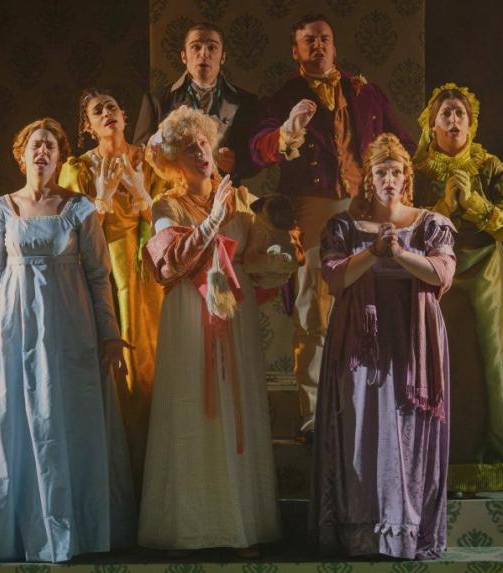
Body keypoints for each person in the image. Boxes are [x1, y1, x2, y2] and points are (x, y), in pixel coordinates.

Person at [0, 118, 136, 562]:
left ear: (59, 157)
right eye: (35, 145)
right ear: (22, 154)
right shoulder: (2, 209)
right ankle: (13, 532)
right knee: (11, 423)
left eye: (50, 146)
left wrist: (110, 335)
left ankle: (72, 533)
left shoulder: (80, 208)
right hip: (12, 330)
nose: (42, 152)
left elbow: (99, 276)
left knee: (62, 422)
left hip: (68, 331)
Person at [249, 13, 415, 437]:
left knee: (372, 305)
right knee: (314, 310)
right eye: (309, 40)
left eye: (324, 38)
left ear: (334, 46)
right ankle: (314, 412)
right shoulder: (284, 96)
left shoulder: (365, 91)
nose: (318, 45)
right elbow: (259, 147)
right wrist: (285, 131)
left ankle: (371, 404)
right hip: (312, 208)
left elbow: (405, 144)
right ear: (296, 51)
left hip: (366, 206)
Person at [139, 106, 281, 555]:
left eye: (203, 143)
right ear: (174, 161)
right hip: (189, 312)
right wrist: (213, 219)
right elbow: (172, 262)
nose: (200, 152)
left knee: (235, 405)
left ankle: (240, 526)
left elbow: (257, 258)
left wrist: (278, 252)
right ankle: (190, 528)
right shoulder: (165, 205)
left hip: (232, 313)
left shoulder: (238, 197)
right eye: (189, 148)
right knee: (193, 408)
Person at [311, 133, 454, 560]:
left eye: (395, 172)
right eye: (381, 172)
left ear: (406, 177)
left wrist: (399, 254)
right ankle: (360, 533)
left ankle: (403, 531)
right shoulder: (343, 226)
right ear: (369, 180)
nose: (389, 179)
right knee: (360, 428)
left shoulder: (429, 223)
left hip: (412, 341)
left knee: (405, 433)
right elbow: (335, 277)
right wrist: (373, 252)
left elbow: (441, 273)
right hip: (361, 344)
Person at [412, 83, 503, 493]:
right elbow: (404, 225)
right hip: (438, 278)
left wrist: (474, 204)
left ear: (471, 125)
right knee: (444, 365)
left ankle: (491, 462)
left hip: (487, 276)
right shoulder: (417, 172)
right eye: (446, 113)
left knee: (491, 363)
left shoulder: (490, 167)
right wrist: (444, 208)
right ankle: (438, 465)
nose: (454, 120)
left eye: (460, 114)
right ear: (431, 125)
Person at [58, 88, 164, 496]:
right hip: (102, 271)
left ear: (124, 116)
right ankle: (115, 474)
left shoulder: (148, 160)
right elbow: (69, 233)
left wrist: (140, 194)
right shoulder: (79, 168)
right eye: (98, 111)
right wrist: (101, 197)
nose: (108, 114)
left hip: (149, 269)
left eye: (114, 107)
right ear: (87, 126)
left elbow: (167, 217)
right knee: (114, 367)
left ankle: (153, 470)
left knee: (151, 361)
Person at [134, 22, 258, 182]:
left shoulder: (246, 101)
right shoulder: (156, 101)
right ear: (183, 56)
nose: (204, 53)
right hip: (174, 190)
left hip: (224, 191)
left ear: (223, 57)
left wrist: (237, 163)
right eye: (196, 47)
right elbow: (139, 157)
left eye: (212, 47)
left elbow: (256, 159)